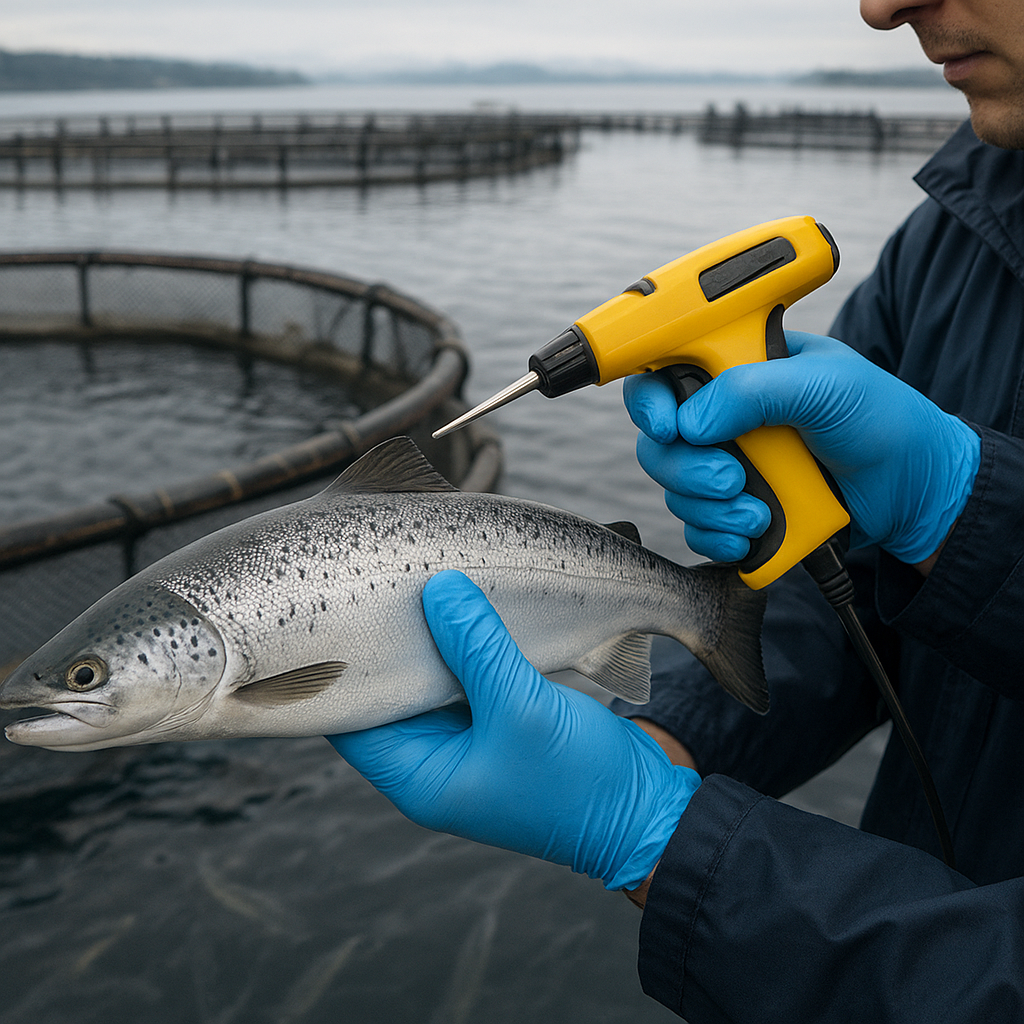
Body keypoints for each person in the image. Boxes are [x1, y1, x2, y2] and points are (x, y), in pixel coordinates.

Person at [330, 1, 1024, 1019]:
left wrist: (652, 833)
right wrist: (674, 733)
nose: (879, 8)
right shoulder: (950, 237)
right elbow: (837, 596)